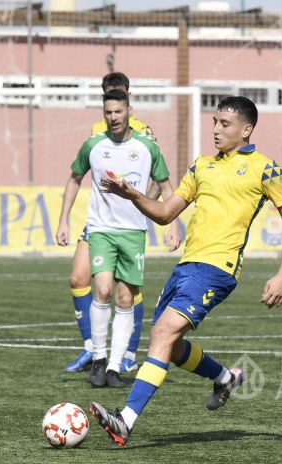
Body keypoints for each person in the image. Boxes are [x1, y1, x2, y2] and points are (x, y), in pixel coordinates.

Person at [89, 96, 282, 446]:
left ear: (246, 130)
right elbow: (163, 213)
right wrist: (131, 194)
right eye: (215, 122)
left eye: (225, 124)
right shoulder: (201, 166)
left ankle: (125, 420)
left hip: (218, 269)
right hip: (186, 267)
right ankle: (225, 377)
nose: (216, 129)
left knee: (163, 335)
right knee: (170, 347)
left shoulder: (266, 169)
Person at [56, 89, 175, 388]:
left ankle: (114, 367)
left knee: (125, 298)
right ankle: (97, 357)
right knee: (104, 290)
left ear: (128, 111)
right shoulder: (93, 146)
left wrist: (172, 224)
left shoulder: (147, 147)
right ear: (104, 114)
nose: (113, 117)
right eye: (108, 112)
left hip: (134, 232)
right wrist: (63, 220)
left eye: (118, 112)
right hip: (101, 230)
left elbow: (165, 185)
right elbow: (74, 178)